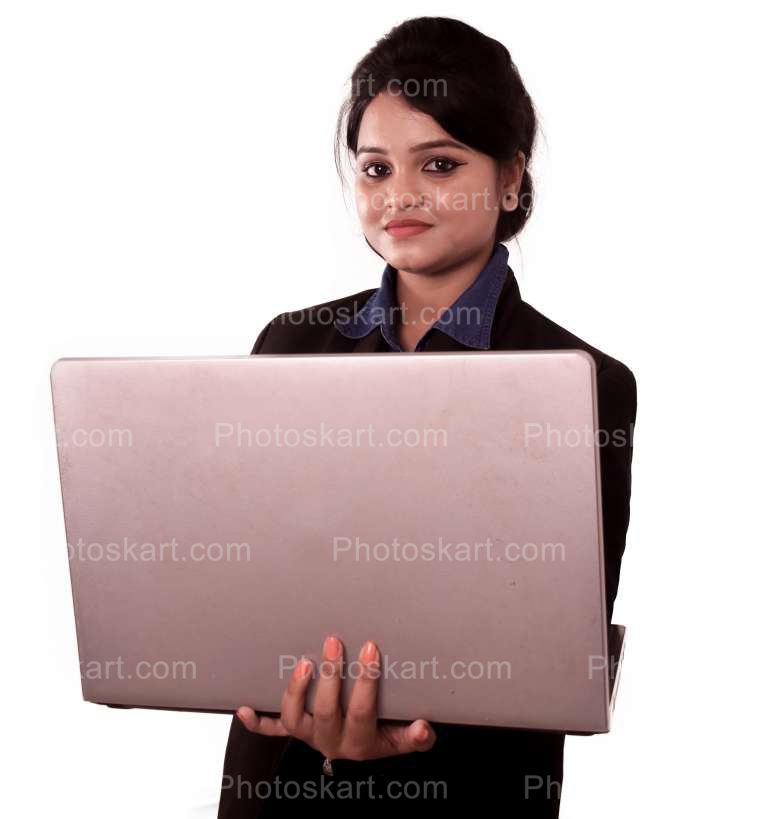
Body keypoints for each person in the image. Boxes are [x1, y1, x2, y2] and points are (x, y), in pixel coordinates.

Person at [217, 16, 636, 818]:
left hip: (465, 790)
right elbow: (253, 575)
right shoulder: (290, 342)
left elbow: (553, 657)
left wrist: (391, 731)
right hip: (278, 781)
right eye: (375, 169)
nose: (398, 196)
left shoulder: (583, 383)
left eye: (439, 165)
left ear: (511, 179)